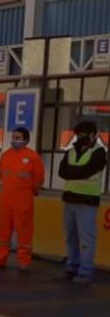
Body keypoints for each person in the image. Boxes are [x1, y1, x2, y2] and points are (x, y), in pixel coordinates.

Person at [57, 120, 107, 285]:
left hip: (87, 202)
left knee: (86, 239)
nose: (81, 137)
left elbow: (87, 171)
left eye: (85, 134)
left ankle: (85, 272)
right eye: (79, 134)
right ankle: (71, 267)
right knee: (70, 238)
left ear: (94, 135)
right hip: (69, 200)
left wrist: (73, 172)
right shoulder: (70, 151)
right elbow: (62, 172)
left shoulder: (100, 153)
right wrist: (77, 172)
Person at [0, 127, 44, 272]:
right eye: (14, 137)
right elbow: (2, 175)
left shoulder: (33, 157)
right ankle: (0, 259)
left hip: (24, 199)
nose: (15, 140)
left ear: (26, 140)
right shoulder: (6, 155)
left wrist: (31, 192)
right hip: (6, 198)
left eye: (18, 137)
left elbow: (38, 179)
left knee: (24, 231)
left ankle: (24, 262)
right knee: (3, 231)